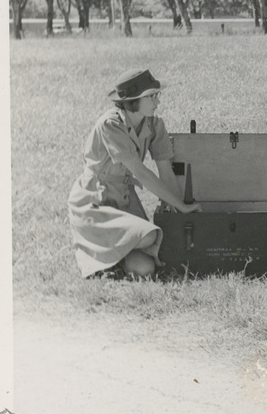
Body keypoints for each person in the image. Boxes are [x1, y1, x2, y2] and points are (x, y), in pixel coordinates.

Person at [67, 69, 201, 280]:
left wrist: (181, 211)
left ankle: (111, 263)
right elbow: (142, 173)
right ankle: (99, 255)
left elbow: (166, 172)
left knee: (145, 269)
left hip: (124, 198)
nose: (158, 101)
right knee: (150, 236)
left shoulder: (155, 124)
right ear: (133, 101)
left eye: (157, 95)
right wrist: (182, 207)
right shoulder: (110, 124)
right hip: (94, 202)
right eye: (152, 96)